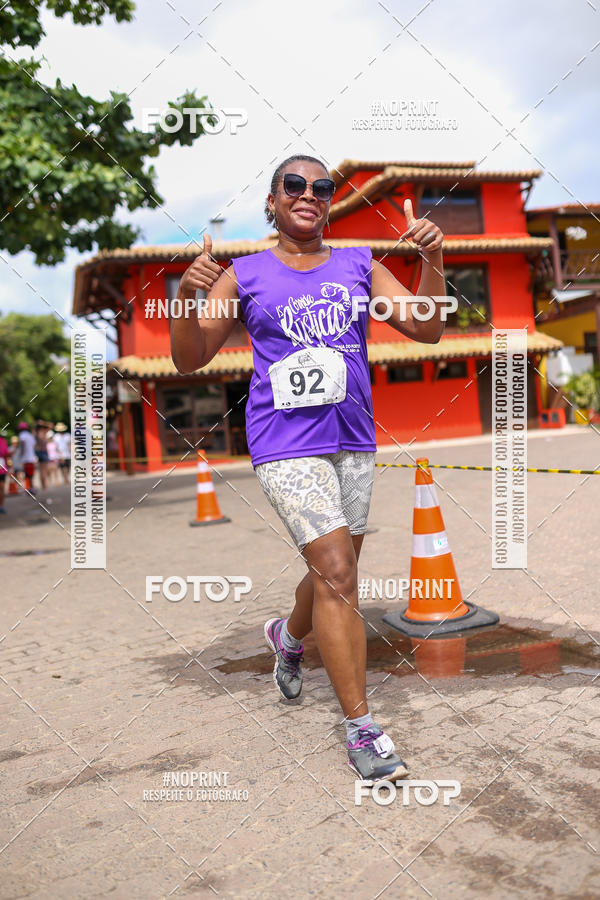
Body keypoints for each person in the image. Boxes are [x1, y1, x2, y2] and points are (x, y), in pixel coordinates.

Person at [170, 154, 446, 784]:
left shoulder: (359, 264)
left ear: (329, 203)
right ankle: (362, 729)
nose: (309, 194)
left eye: (322, 188)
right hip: (283, 441)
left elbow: (426, 331)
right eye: (294, 185)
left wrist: (432, 259)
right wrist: (187, 298)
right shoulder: (244, 275)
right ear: (272, 202)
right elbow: (188, 361)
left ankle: (288, 638)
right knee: (339, 570)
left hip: (352, 438)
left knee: (334, 568)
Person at [18, 422, 37, 493]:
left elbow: (22, 443)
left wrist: (21, 453)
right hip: (31, 457)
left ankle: (31, 488)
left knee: (27, 474)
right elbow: (34, 445)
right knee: (30, 474)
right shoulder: (30, 435)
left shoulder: (22, 435)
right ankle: (30, 487)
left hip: (26, 458)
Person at [34, 421, 50, 491]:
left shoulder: (36, 434)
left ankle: (43, 485)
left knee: (41, 470)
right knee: (44, 470)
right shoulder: (43, 433)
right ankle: (44, 486)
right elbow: (51, 426)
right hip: (43, 452)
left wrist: (38, 423)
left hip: (38, 452)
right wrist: (44, 423)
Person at [0, 432, 10, 514]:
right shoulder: (3, 441)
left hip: (2, 469)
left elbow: (6, 454)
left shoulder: (3, 441)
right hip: (2, 469)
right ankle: (1, 506)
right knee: (2, 488)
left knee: (2, 488)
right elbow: (6, 454)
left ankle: (1, 506)